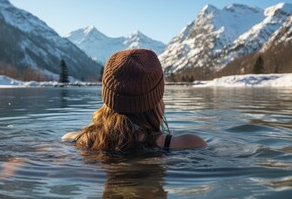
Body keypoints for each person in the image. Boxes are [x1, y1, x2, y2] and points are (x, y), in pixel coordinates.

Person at [62, 49, 206, 151]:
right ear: (156, 99)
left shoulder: (74, 140)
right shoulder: (189, 143)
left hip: (110, 193)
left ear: (108, 97)